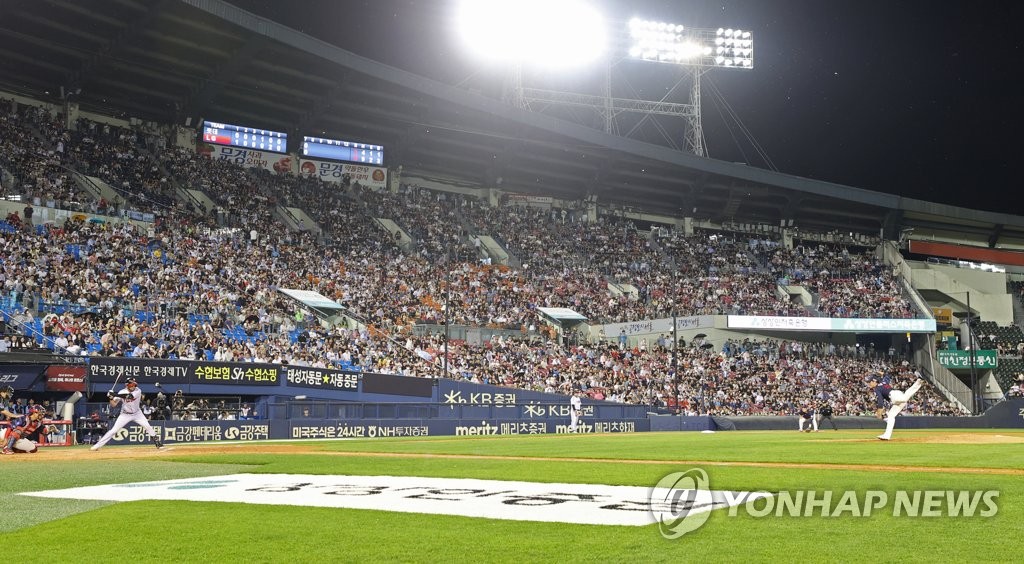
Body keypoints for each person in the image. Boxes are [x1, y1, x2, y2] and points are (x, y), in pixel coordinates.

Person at [90, 378, 164, 450]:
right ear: (127, 385)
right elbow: (113, 404)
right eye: (131, 385)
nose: (133, 386)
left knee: (147, 426)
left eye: (134, 385)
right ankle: (98, 445)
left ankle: (157, 442)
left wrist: (114, 394)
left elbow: (129, 396)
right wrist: (110, 397)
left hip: (137, 413)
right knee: (113, 430)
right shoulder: (121, 392)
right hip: (125, 414)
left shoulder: (138, 390)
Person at [870, 373, 925, 441]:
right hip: (896, 399)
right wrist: (882, 373)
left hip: (894, 396)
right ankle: (887, 435)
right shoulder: (883, 381)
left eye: (870, 382)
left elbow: (880, 401)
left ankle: (919, 381)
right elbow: (888, 375)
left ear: (874, 381)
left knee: (905, 398)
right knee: (891, 415)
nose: (869, 384)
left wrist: (879, 411)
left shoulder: (877, 388)